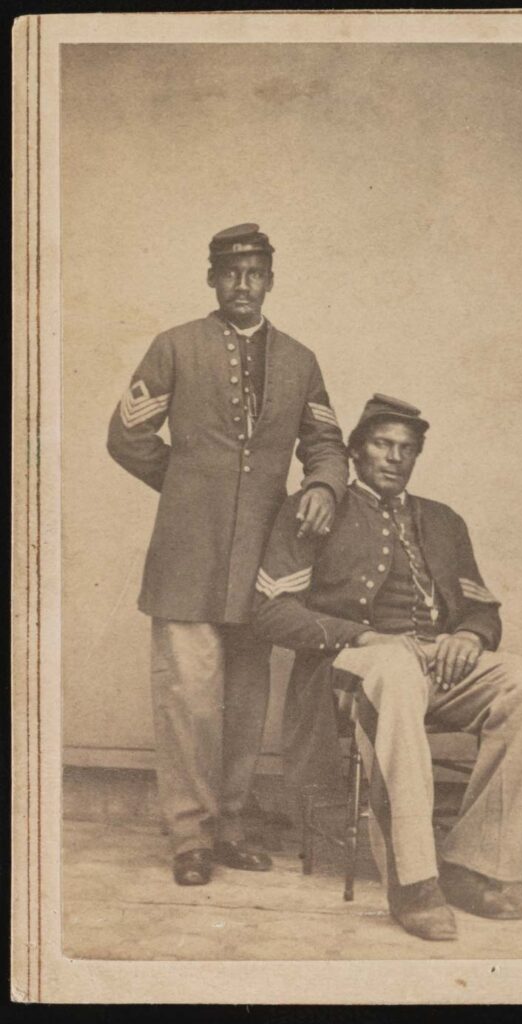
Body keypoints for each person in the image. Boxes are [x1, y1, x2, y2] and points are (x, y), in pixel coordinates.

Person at [252, 394, 522, 941]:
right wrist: (366, 635)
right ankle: (415, 882)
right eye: (381, 444)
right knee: (394, 671)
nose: (394, 458)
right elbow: (271, 612)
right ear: (354, 449)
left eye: (406, 449)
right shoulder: (318, 506)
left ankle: (472, 866)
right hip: (350, 667)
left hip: (435, 667)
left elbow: (480, 607)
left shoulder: (443, 520)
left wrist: (468, 634)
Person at [107, 224, 347, 886]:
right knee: (189, 698)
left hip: (264, 563)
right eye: (230, 272)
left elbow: (328, 443)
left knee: (244, 698)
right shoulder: (175, 346)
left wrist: (324, 485)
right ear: (212, 279)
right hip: (188, 556)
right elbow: (127, 435)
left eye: (254, 272)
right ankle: (189, 835)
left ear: (272, 279)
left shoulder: (300, 359)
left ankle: (232, 824)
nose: (242, 284)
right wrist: (187, 488)